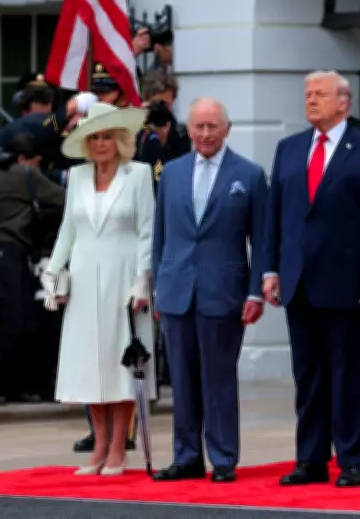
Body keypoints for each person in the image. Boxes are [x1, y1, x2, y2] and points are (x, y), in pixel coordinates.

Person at [262, 70, 360, 488]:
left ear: (344, 103)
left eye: (319, 94)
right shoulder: (289, 149)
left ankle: (351, 459)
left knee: (348, 376)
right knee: (309, 377)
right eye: (307, 94)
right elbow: (276, 216)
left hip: (347, 284)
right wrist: (270, 269)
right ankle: (311, 459)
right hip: (299, 283)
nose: (311, 100)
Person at [151, 97, 268, 483]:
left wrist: (256, 293)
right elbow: (161, 236)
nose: (204, 134)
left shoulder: (249, 175)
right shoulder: (172, 173)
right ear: (189, 130)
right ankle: (186, 457)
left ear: (226, 129)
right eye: (198, 127)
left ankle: (222, 459)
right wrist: (157, 288)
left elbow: (262, 241)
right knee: (181, 381)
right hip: (177, 290)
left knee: (218, 379)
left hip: (224, 293)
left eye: (212, 126)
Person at [41, 102, 157, 476]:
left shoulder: (138, 174)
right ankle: (99, 446)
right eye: (95, 137)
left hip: (124, 278)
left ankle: (119, 448)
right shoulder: (76, 176)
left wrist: (144, 278)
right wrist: (54, 273)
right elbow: (67, 231)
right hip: (85, 276)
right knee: (89, 362)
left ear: (121, 140)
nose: (101, 143)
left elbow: (147, 230)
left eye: (108, 136)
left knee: (120, 361)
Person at [0, 132, 66, 404]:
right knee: (13, 320)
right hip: (8, 248)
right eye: (36, 162)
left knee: (14, 317)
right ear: (24, 160)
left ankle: (4, 383)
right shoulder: (25, 175)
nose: (39, 168)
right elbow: (65, 199)